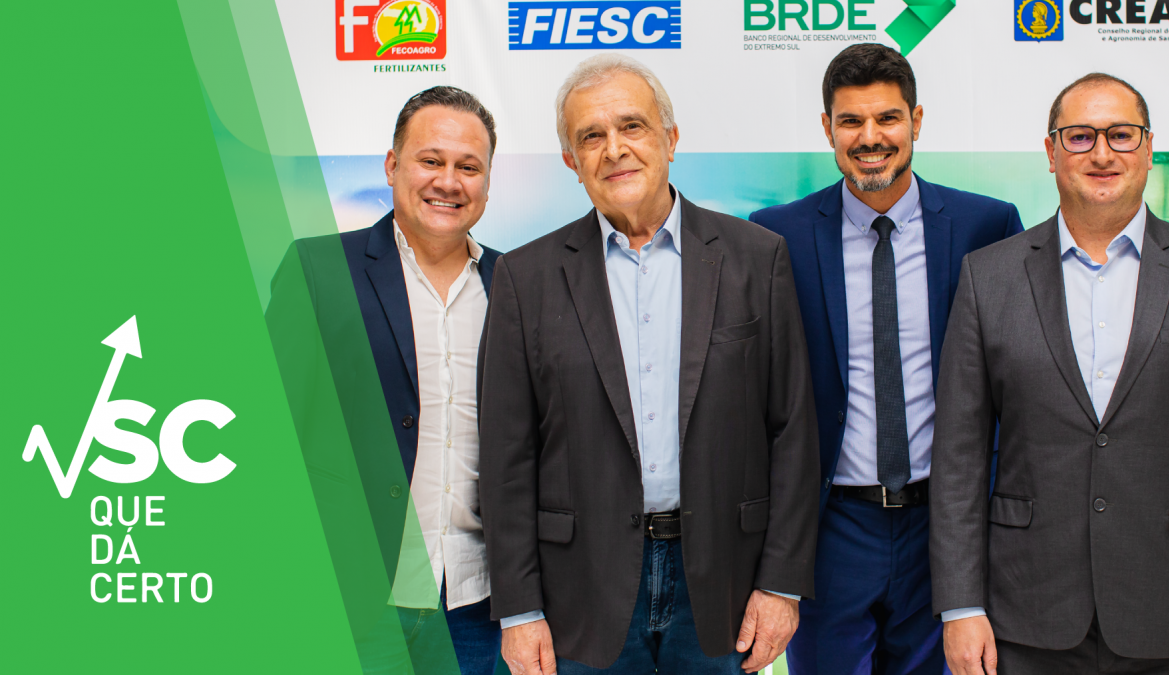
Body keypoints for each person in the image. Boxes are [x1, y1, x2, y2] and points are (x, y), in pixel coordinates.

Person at [478, 54, 820, 675]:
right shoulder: (524, 278)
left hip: (724, 584)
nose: (614, 149)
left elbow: (793, 432)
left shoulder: (757, 257)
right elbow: (507, 457)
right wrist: (519, 610)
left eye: (631, 126)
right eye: (591, 136)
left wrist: (781, 584)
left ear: (670, 138)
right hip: (579, 591)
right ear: (571, 161)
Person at [749, 44, 1023, 675]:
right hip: (830, 531)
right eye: (851, 121)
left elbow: (1016, 383)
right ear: (828, 129)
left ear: (916, 121)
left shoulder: (986, 226)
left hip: (946, 530)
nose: (870, 137)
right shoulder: (776, 235)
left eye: (888, 118)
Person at [930, 72, 1169, 675]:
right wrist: (960, 605)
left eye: (1121, 135)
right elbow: (958, 457)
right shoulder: (988, 276)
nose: (1102, 153)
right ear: (1051, 153)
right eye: (1080, 136)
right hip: (1025, 614)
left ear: (1149, 150)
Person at [287, 86, 503, 675]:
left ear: (487, 183)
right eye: (431, 160)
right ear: (392, 165)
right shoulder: (318, 269)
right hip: (352, 598)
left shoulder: (516, 284)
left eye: (468, 167)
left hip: (476, 604)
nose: (448, 181)